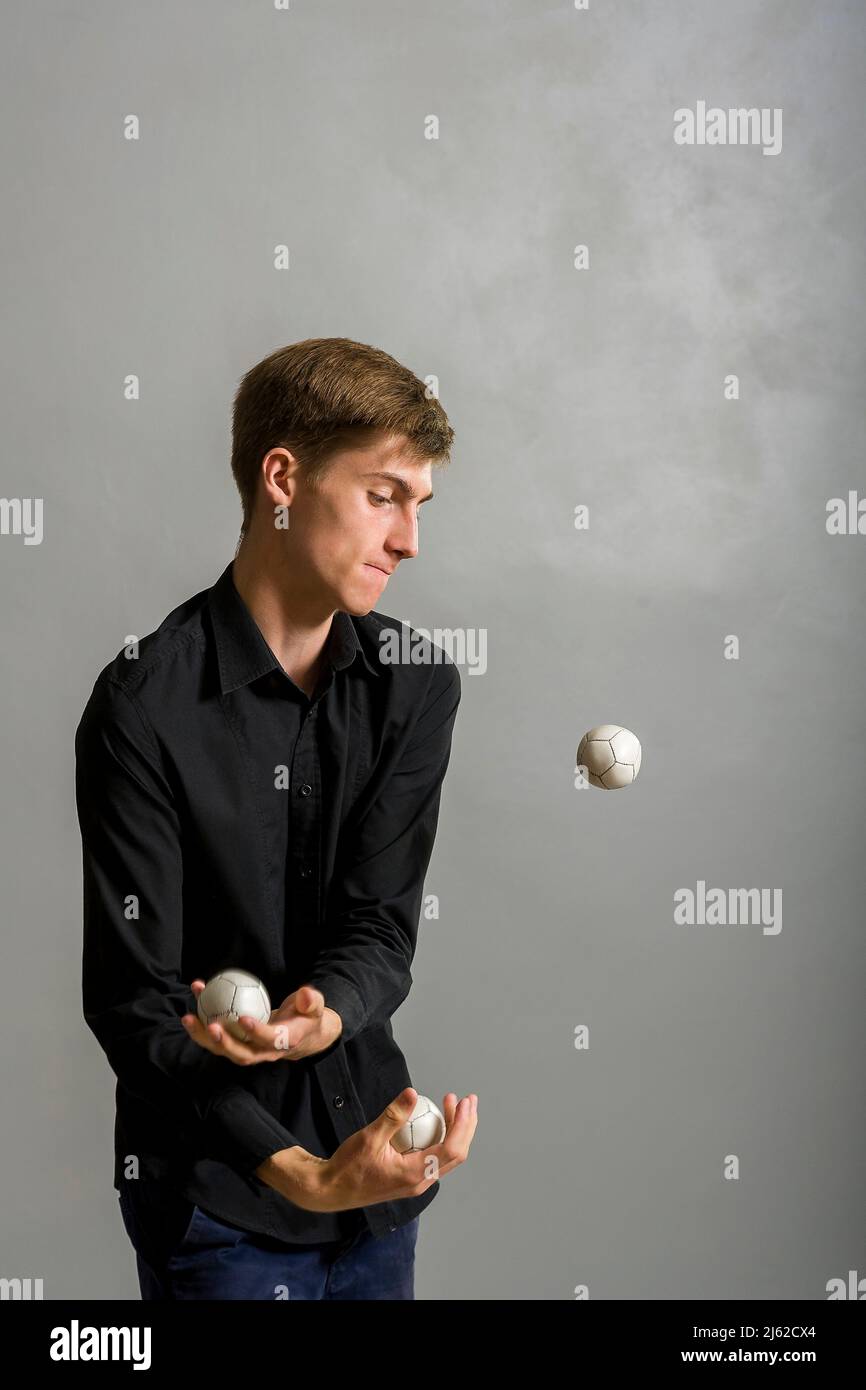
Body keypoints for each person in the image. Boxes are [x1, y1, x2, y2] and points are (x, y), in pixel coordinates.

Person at [75, 337, 478, 1299]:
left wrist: (325, 1015)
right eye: (383, 495)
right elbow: (135, 1007)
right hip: (221, 1210)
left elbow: (379, 927)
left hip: (377, 1177)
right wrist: (306, 1174)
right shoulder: (143, 706)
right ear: (283, 478)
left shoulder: (415, 686)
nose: (409, 539)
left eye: (419, 506)